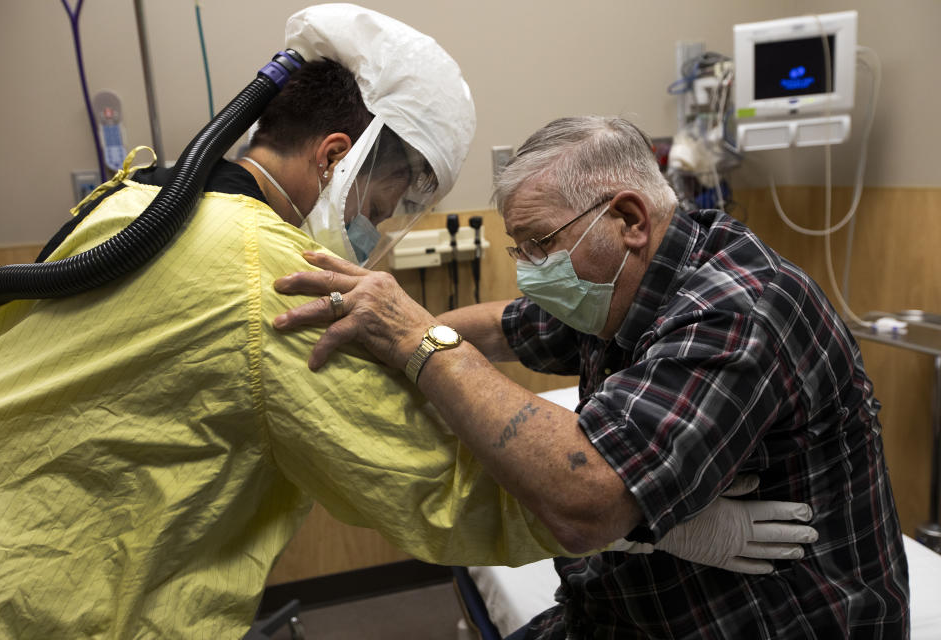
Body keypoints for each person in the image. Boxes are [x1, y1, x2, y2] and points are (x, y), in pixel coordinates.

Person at [0, 8, 815, 637]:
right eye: (388, 203)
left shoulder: (135, 201)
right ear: (337, 155)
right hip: (58, 604)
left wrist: (422, 330)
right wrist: (644, 519)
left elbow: (524, 327)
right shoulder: (275, 274)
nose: (379, 229)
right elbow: (434, 482)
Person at [272, 115, 910, 638]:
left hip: (767, 619)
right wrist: (387, 328)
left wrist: (419, 340)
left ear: (629, 219)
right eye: (518, 250)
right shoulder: (624, 283)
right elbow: (506, 323)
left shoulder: (741, 308)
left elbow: (589, 503)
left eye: (539, 245)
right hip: (620, 609)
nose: (528, 270)